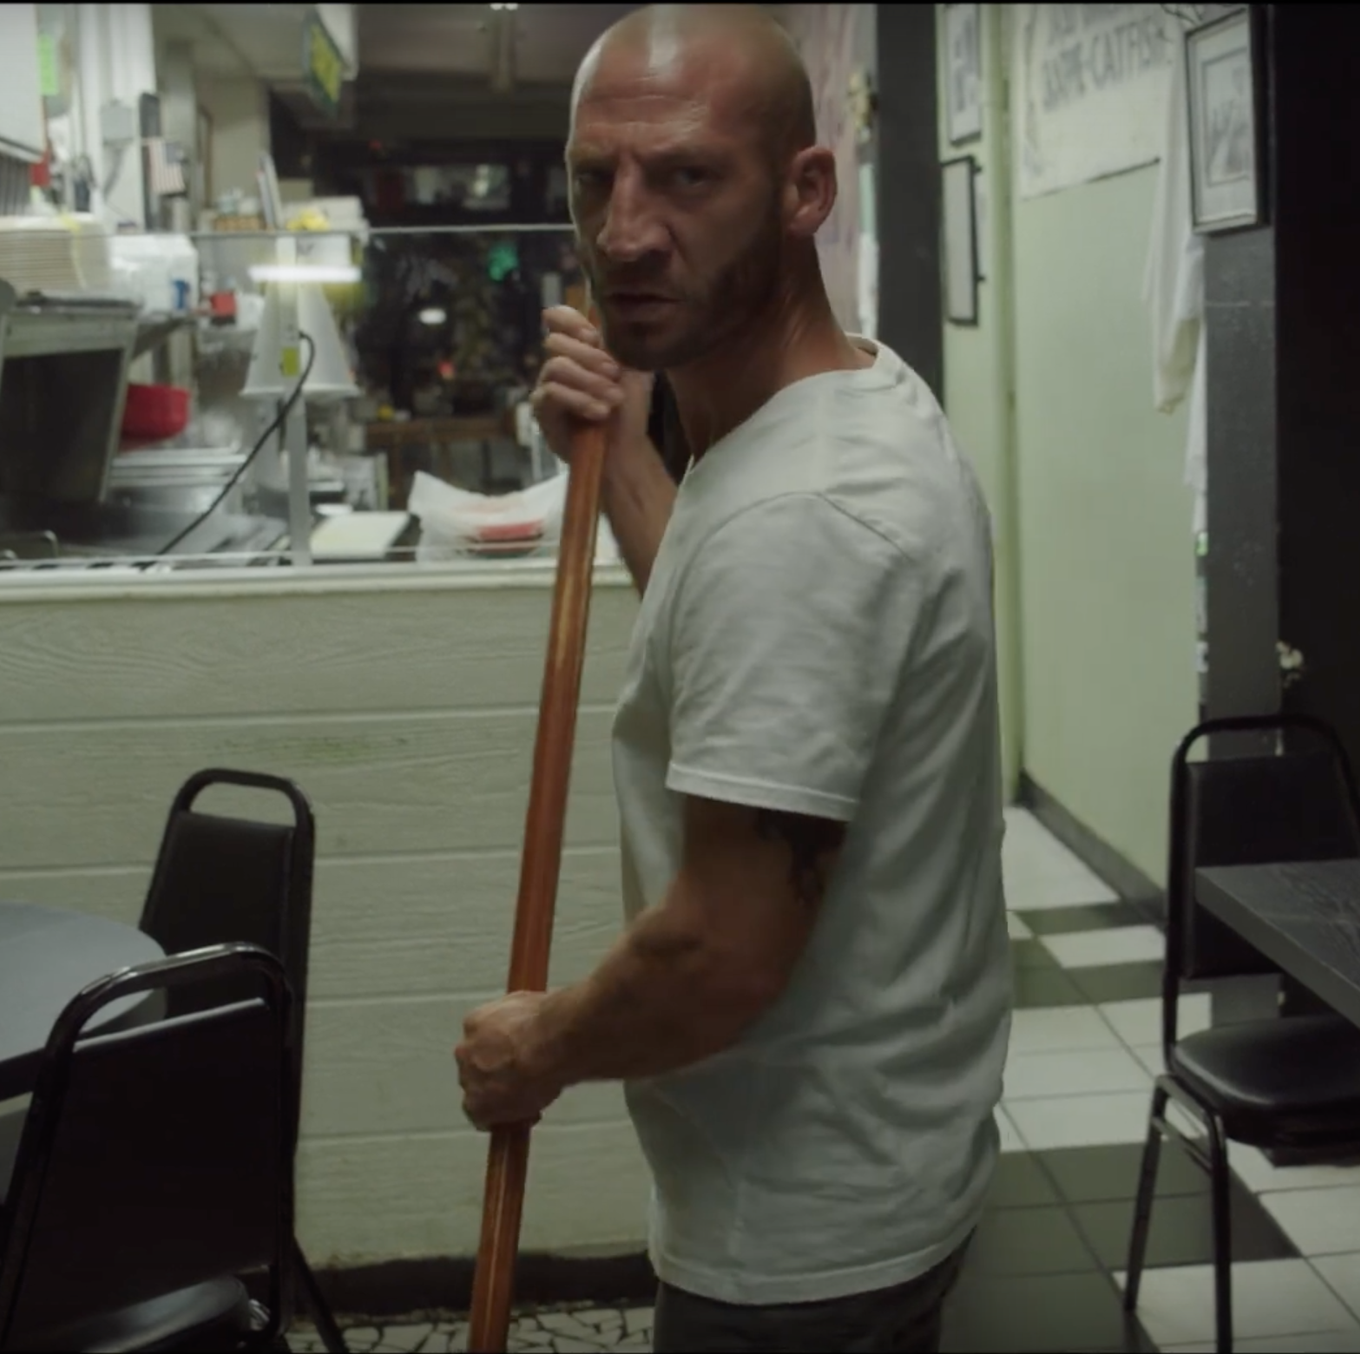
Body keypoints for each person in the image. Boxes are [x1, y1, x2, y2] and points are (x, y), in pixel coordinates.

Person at [450, 6, 1010, 1351]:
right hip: (874, 1164)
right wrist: (618, 457)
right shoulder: (844, 400)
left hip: (798, 1238)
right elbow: (726, 625)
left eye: (689, 176)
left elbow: (720, 952)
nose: (628, 230)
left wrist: (540, 1046)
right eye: (599, 178)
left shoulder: (802, 513)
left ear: (805, 189)